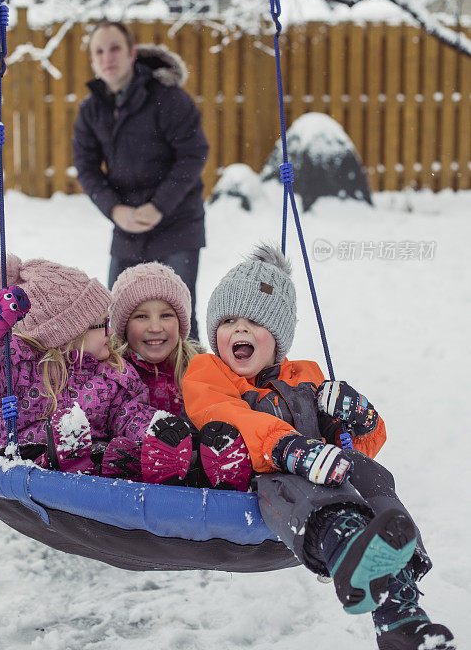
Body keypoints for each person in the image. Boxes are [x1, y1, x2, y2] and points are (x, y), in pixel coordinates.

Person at [182, 245, 455, 650]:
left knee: (367, 471)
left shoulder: (305, 376)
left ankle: (402, 615)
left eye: (254, 321)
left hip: (316, 468)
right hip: (256, 480)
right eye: (228, 321)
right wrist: (287, 448)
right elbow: (223, 414)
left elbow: (341, 443)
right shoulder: (207, 372)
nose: (239, 330)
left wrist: (359, 419)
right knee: (303, 490)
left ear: (277, 339)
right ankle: (349, 552)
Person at [0, 253, 189, 482]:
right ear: (71, 332)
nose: (112, 332)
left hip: (92, 465)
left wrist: (156, 432)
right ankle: (66, 458)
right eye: (102, 325)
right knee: (47, 450)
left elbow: (129, 415)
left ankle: (155, 466)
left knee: (117, 455)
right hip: (25, 461)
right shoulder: (20, 367)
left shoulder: (112, 375)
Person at [72, 20, 209, 341]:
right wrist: (115, 209)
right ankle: (125, 387)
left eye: (115, 48)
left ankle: (188, 385)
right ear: (93, 60)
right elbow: (87, 168)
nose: (108, 57)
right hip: (127, 225)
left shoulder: (169, 98)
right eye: (99, 51)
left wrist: (159, 206)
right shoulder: (91, 110)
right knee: (118, 315)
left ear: (132, 54)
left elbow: (192, 155)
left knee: (178, 317)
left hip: (177, 222)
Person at [107, 261, 252, 490]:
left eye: (166, 315)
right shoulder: (114, 372)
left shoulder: (200, 366)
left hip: (196, 466)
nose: (155, 327)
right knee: (119, 451)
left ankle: (225, 477)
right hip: (142, 473)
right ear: (123, 326)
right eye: (141, 317)